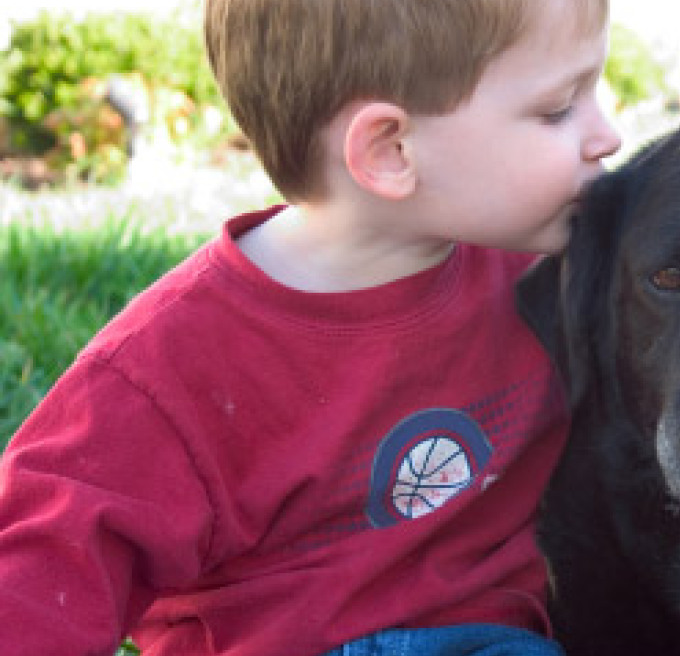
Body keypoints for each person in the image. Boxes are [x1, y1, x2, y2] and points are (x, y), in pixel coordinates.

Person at [0, 0, 621, 654]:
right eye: (559, 109)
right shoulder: (171, 365)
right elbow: (41, 568)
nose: (606, 135)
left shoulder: (550, 281)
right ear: (390, 149)